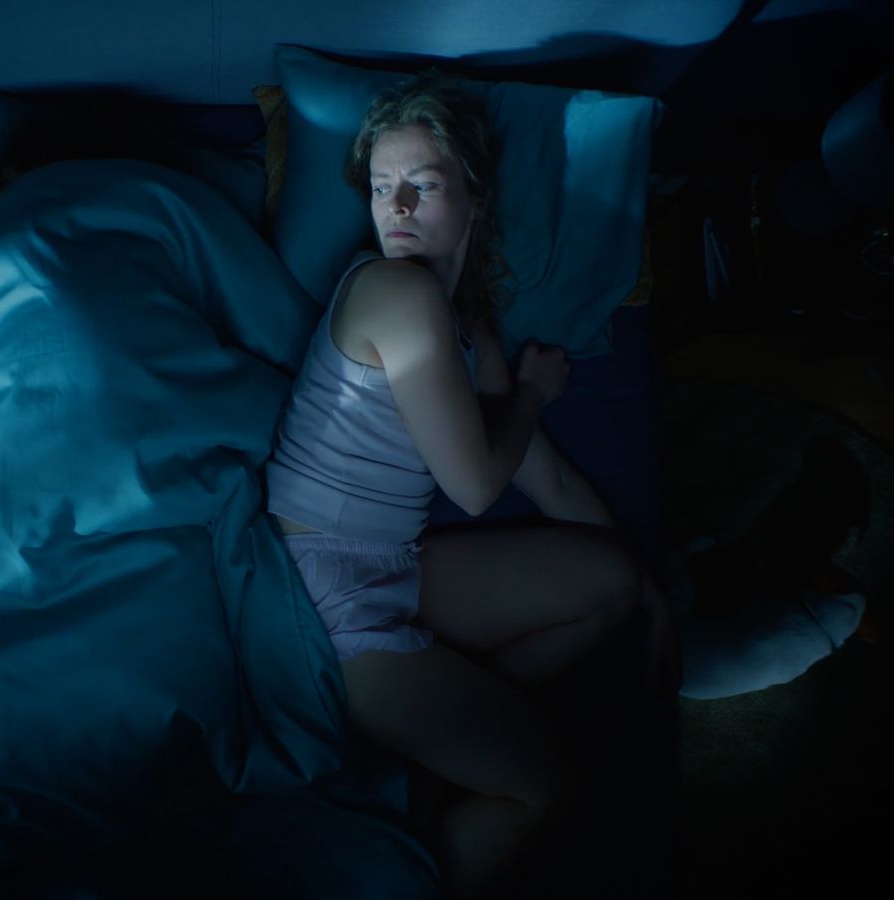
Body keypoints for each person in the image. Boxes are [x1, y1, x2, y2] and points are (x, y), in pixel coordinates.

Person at [263, 72, 679, 896]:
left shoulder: (465, 329)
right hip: (322, 601)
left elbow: (546, 477)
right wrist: (531, 395)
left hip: (388, 569)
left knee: (607, 585)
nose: (398, 208)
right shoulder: (394, 289)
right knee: (550, 787)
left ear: (473, 197)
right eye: (383, 188)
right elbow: (480, 485)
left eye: (422, 184)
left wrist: (650, 584)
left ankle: (433, 742)